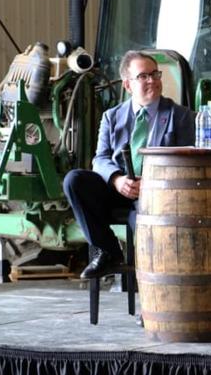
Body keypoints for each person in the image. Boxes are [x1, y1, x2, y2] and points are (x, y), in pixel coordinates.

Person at [65, 50, 195, 279]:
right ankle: (108, 252)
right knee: (74, 180)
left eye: (155, 74)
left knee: (143, 225)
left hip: (156, 193)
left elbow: (186, 163)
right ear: (127, 85)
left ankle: (153, 291)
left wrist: (152, 183)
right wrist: (117, 180)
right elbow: (100, 159)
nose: (152, 80)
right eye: (143, 76)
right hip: (119, 187)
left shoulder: (180, 116)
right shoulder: (111, 117)